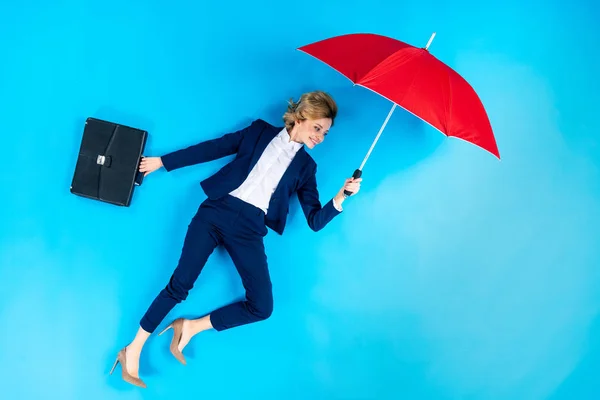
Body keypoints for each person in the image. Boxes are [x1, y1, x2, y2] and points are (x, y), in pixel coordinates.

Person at [109, 91, 362, 388]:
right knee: (180, 285)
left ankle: (190, 326)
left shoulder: (307, 168)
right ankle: (133, 348)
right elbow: (213, 148)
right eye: (318, 128)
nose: (321, 137)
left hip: (249, 230)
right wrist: (163, 162)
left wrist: (342, 195)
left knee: (262, 306)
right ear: (301, 117)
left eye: (326, 133)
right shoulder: (258, 132)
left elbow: (315, 221)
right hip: (216, 211)